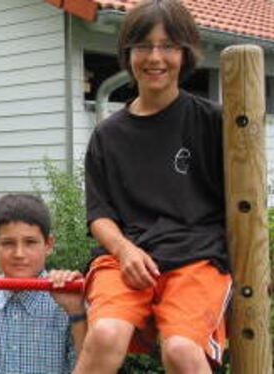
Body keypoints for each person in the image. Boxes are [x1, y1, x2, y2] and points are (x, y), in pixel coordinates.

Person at [74, 1, 232, 373]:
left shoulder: (213, 122)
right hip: (127, 257)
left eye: (168, 45)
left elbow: (245, 204)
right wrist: (125, 251)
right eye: (143, 45)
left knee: (180, 350)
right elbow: (99, 216)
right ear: (128, 54)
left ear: (186, 52)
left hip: (197, 258)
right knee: (105, 334)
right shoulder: (107, 136)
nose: (155, 57)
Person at [0, 194, 87, 374]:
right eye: (8, 243)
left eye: (30, 242)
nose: (19, 253)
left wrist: (77, 312)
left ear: (48, 245)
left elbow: (90, 368)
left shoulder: (67, 301)